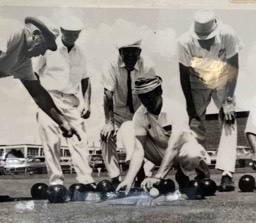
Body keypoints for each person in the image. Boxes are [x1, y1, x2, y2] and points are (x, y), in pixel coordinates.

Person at [177, 10, 244, 192]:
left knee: (229, 118)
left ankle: (227, 174)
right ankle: (202, 171)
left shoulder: (228, 33)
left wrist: (229, 100)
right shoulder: (184, 41)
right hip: (196, 78)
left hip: (223, 75)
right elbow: (184, 76)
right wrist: (190, 107)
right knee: (195, 122)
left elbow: (233, 66)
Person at [116, 76, 210, 194]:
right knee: (127, 126)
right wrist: (127, 180)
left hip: (179, 154)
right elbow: (138, 150)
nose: (146, 102)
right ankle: (138, 178)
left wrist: (158, 177)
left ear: (160, 91)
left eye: (149, 97)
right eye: (142, 98)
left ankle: (182, 174)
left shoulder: (176, 108)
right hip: (157, 152)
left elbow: (174, 147)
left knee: (193, 152)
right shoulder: (140, 114)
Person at [33, 16, 95, 187]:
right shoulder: (47, 48)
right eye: (69, 33)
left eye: (76, 34)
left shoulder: (80, 53)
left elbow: (86, 79)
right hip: (49, 99)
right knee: (51, 141)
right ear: (61, 31)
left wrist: (87, 103)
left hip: (70, 101)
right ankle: (56, 182)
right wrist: (40, 99)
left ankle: (86, 181)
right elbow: (34, 74)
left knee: (80, 139)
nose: (72, 37)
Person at [0, 16, 79, 139]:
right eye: (45, 46)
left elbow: (38, 92)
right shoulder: (11, 30)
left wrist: (63, 121)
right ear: (36, 34)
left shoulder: (23, 61)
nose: (43, 53)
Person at [100, 39, 156, 186]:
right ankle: (114, 177)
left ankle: (141, 174)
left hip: (139, 110)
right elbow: (108, 94)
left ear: (140, 52)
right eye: (127, 51)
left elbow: (150, 94)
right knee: (105, 136)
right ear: (120, 53)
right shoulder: (110, 64)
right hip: (116, 112)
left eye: (134, 51)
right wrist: (108, 123)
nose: (131, 55)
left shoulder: (148, 66)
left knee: (142, 136)